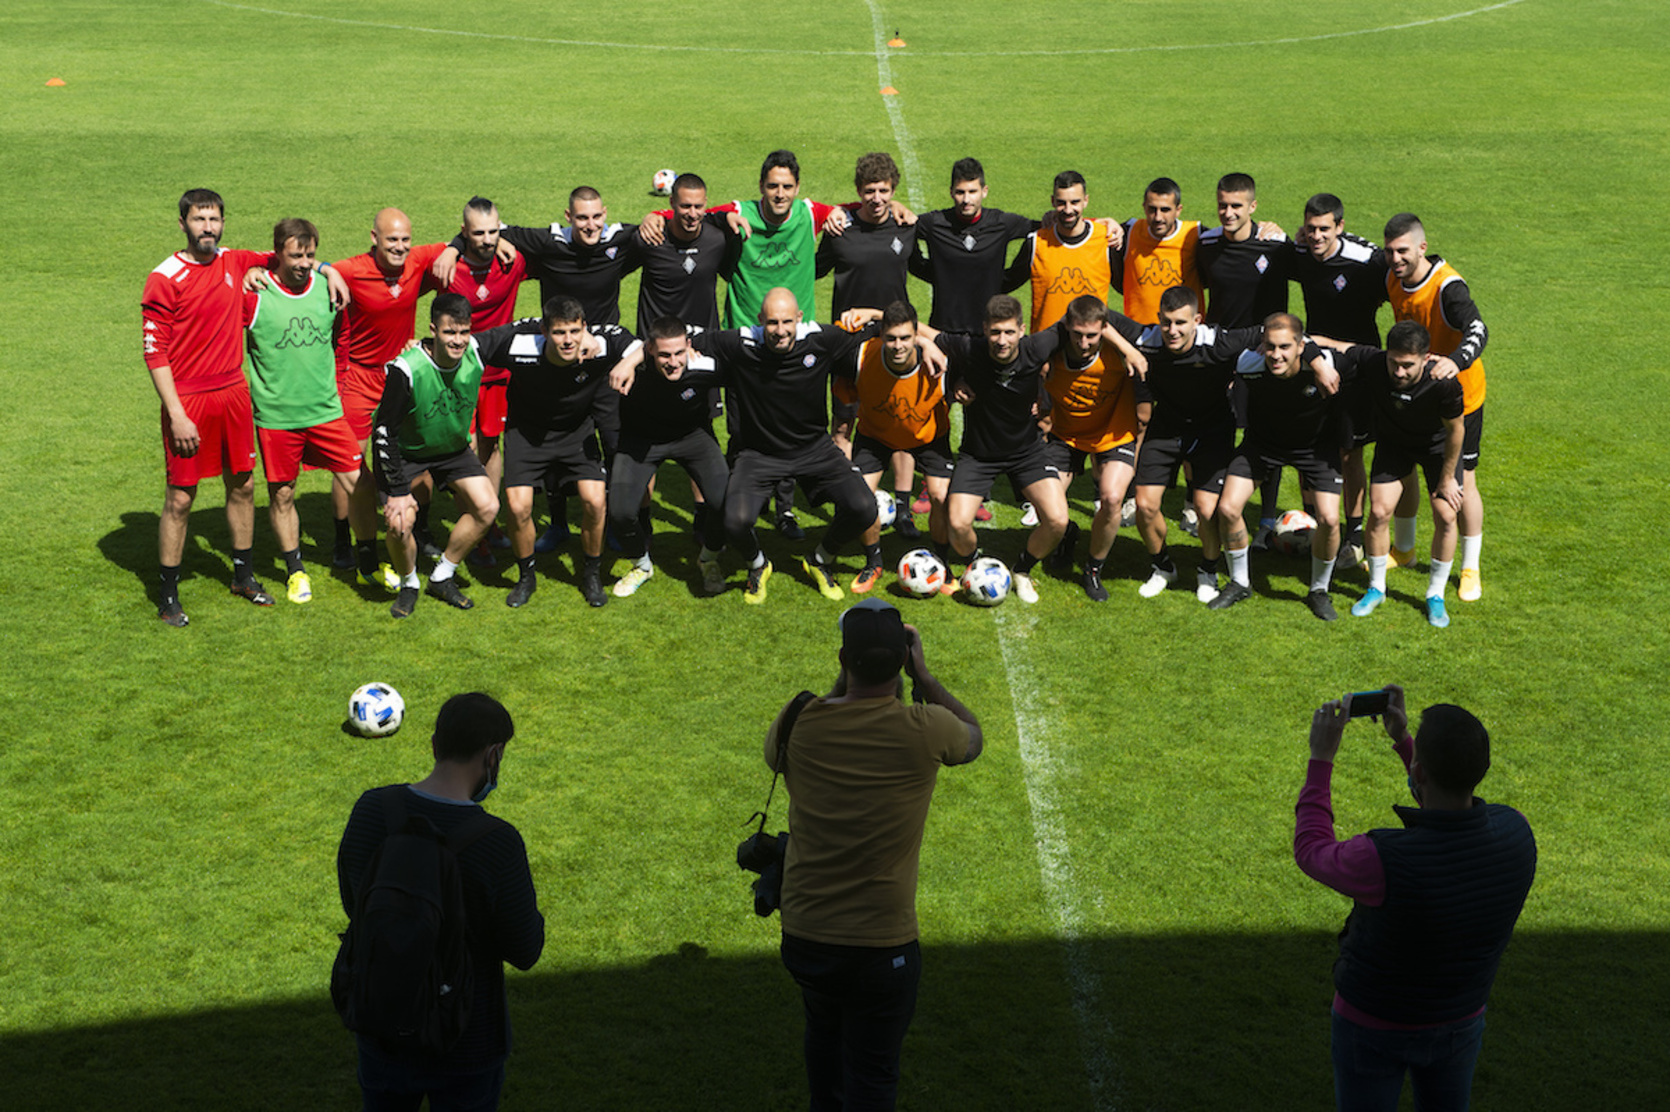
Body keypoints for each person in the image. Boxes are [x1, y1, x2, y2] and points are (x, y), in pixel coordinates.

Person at [767, 598, 982, 1112]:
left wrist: (846, 685)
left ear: (842, 659)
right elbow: (973, 738)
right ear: (902, 663)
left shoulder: (799, 719)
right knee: (873, 1074)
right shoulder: (927, 727)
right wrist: (925, 677)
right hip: (883, 947)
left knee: (824, 1039)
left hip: (806, 936)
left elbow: (779, 756)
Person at [1296, 686, 1535, 1111]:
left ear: (1421, 774)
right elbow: (1449, 816)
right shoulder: (1517, 832)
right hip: (1461, 1022)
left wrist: (1321, 758)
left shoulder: (1380, 860)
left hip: (1371, 1026)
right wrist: (1406, 745)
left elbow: (1312, 851)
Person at [337, 692, 544, 1112]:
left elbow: (355, 904)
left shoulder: (371, 811)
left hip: (382, 1024)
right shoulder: (499, 843)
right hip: (468, 1041)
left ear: (434, 745)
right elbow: (526, 950)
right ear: (493, 755)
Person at [142, 188, 314, 625]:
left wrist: (328, 273)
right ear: (182, 223)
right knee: (181, 498)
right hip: (190, 399)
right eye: (199, 220)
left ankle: (243, 576)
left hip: (234, 393)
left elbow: (290, 258)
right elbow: (154, 352)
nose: (208, 228)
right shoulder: (164, 277)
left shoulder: (235, 261)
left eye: (214, 220)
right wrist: (177, 413)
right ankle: (167, 594)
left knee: (242, 486)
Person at [932, 295, 1144, 604]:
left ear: (1021, 330)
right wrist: (942, 365)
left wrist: (1128, 350)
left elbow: (1093, 319)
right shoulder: (971, 348)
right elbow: (923, 333)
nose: (1001, 340)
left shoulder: (1037, 346)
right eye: (995, 332)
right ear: (985, 330)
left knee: (1057, 520)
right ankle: (977, 566)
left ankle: (1022, 569)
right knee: (958, 523)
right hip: (978, 455)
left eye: (1008, 332)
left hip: (1027, 452)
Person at [241, 218, 379, 604]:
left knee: (362, 484)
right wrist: (251, 273)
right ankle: (295, 570)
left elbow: (342, 336)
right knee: (283, 494)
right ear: (278, 254)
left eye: (311, 255)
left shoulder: (328, 288)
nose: (304, 262)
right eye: (295, 255)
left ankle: (367, 561)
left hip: (325, 411)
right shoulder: (255, 294)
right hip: (276, 417)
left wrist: (337, 381)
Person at [473, 297, 642, 609]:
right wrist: (423, 348)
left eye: (574, 332)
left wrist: (626, 363)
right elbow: (469, 345)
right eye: (560, 332)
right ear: (544, 331)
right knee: (518, 505)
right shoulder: (519, 344)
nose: (568, 341)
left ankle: (591, 573)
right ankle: (527, 576)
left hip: (576, 433)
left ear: (585, 329)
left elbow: (644, 345)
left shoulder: (599, 345)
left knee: (594, 500)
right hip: (527, 435)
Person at [1105, 286, 1268, 602]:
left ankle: (1208, 569)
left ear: (1198, 319)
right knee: (1145, 505)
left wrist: (1317, 361)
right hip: (1165, 429)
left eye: (1181, 323)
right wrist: (1129, 349)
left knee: (1207, 510)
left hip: (1213, 431)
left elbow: (1271, 329)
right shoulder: (1147, 339)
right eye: (1166, 322)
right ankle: (1162, 566)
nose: (1172, 331)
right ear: (1158, 319)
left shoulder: (1218, 343)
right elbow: (1095, 315)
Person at [1317, 323, 1465, 628]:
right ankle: (1376, 588)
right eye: (1394, 363)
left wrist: (1448, 478)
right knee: (1381, 512)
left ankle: (1435, 594)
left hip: (1436, 450)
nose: (1399, 372)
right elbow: (1338, 344)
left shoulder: (1444, 382)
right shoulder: (1375, 361)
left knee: (1446, 516)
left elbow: (1456, 431)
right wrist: (1300, 342)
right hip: (1395, 445)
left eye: (1408, 366)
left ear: (1426, 359)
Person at [331, 208, 454, 573]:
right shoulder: (351, 270)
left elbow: (455, 245)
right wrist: (323, 270)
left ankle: (423, 528)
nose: (400, 248)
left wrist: (452, 250)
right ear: (374, 238)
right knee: (350, 462)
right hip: (357, 376)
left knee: (420, 451)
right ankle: (346, 540)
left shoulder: (417, 260)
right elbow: (311, 270)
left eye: (405, 240)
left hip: (399, 374)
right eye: (391, 241)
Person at [372, 293, 501, 618]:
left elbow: (520, 331)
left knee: (488, 507)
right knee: (401, 525)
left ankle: (443, 575)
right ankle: (410, 582)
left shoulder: (475, 351)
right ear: (433, 330)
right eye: (448, 332)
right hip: (408, 452)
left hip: (453, 450)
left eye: (463, 332)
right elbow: (384, 430)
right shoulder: (406, 369)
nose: (457, 341)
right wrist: (399, 493)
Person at [1384, 213, 1490, 602]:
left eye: (1403, 251)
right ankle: (1405, 550)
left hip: (1459, 399)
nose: (1395, 259)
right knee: (1406, 466)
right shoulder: (1392, 273)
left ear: (1422, 248)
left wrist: (1455, 361)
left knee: (1463, 484)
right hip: (1411, 391)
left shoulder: (1448, 288)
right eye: (1390, 251)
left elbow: (1479, 328)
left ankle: (1470, 567)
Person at [1210, 314, 1344, 619]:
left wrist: (1319, 361)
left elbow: (1360, 355)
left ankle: (1319, 590)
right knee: (1228, 509)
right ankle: (1240, 582)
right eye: (1269, 347)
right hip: (1262, 445)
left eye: (1285, 347)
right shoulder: (1248, 364)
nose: (1276, 355)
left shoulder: (1325, 365)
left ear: (1300, 346)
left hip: (1315, 449)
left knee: (1329, 519)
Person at [430, 196, 529, 568]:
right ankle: (474, 524)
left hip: (499, 376)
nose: (487, 240)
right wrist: (451, 249)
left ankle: (488, 525)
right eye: (478, 233)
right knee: (465, 451)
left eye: (493, 231)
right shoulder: (445, 269)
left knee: (491, 445)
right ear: (463, 232)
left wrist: (505, 239)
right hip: (457, 377)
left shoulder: (513, 260)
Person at [1292, 193, 1388, 569]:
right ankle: (1312, 522)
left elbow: (1394, 266)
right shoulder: (1301, 254)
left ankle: (1355, 532)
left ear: (1340, 227)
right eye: (1311, 229)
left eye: (1324, 230)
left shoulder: (1366, 262)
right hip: (1314, 362)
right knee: (1308, 442)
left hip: (1357, 370)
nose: (1316, 237)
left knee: (1349, 452)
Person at [604, 317, 730, 598]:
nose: (673, 362)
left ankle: (708, 559)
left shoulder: (705, 365)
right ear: (649, 349)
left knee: (726, 503)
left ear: (688, 345)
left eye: (678, 353)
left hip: (692, 438)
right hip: (641, 440)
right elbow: (598, 338)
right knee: (621, 513)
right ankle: (642, 565)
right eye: (664, 354)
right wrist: (627, 361)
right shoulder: (633, 365)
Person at [842, 301, 955, 593]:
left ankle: (942, 564)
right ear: (881, 335)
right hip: (875, 435)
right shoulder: (861, 355)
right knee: (861, 499)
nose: (897, 345)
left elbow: (954, 344)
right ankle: (873, 562)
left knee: (942, 497)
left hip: (928, 437)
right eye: (890, 338)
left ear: (916, 336)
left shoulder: (939, 361)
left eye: (905, 338)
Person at [1039, 295, 1143, 601]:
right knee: (1048, 503)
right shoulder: (1050, 349)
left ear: (1105, 330)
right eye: (1078, 335)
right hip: (1066, 434)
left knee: (1111, 498)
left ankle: (1093, 569)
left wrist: (1127, 349)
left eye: (1092, 336)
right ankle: (1068, 533)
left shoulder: (1119, 347)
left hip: (1114, 433)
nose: (1084, 343)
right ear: (1067, 327)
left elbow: (1158, 337)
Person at [909, 157, 1036, 333]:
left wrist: (1003, 281)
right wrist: (937, 275)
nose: (966, 199)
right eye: (960, 192)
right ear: (951, 192)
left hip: (988, 332)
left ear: (984, 191)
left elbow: (1040, 232)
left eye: (972, 191)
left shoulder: (1002, 224)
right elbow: (903, 231)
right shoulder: (934, 224)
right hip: (943, 331)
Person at [1002, 170, 1122, 333]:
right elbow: (1006, 282)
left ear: (1085, 201)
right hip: (1047, 352)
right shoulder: (1036, 243)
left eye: (1074, 202)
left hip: (1093, 349)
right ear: (1052, 201)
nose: (1068, 209)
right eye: (1061, 203)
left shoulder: (1105, 240)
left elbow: (1128, 287)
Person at [1112, 177, 1202, 326]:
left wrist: (1255, 230)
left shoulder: (1195, 235)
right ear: (1144, 207)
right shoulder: (1128, 232)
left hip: (1184, 337)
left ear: (1178, 210)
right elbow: (1078, 228)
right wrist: (1106, 221)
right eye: (1152, 209)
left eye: (1165, 210)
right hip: (1139, 335)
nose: (1158, 217)